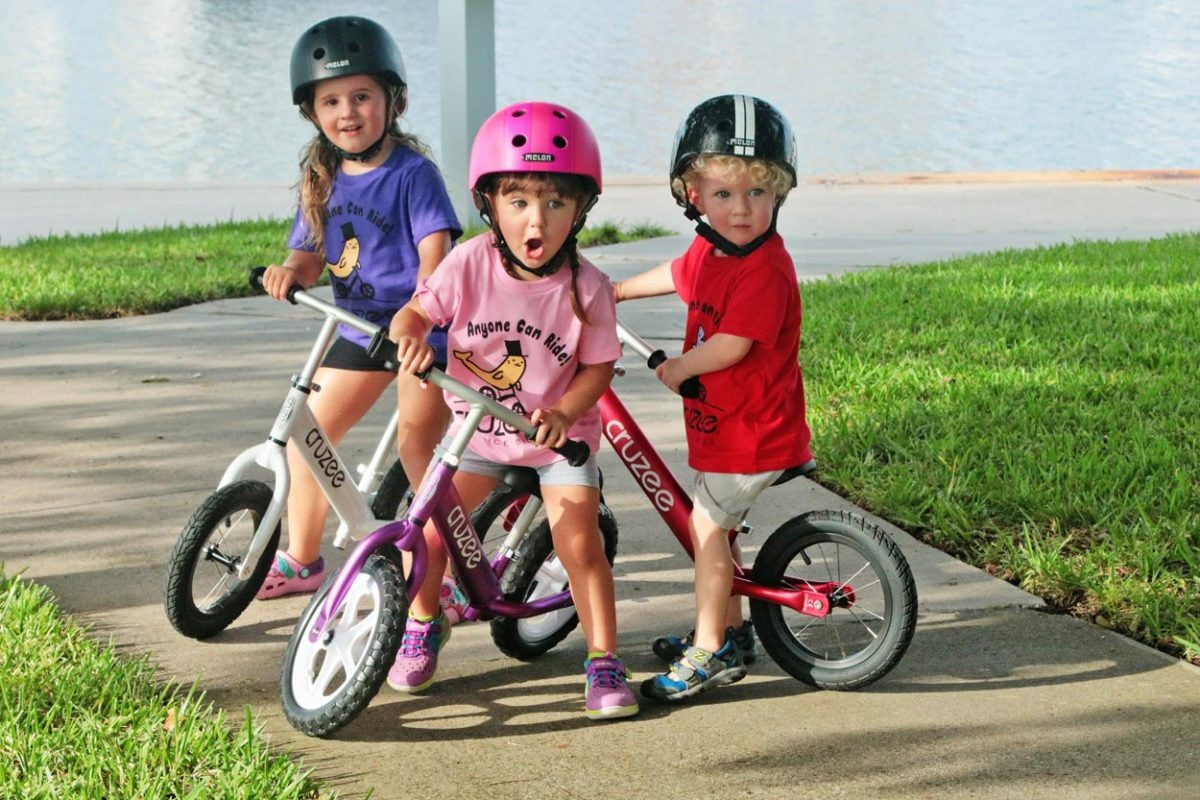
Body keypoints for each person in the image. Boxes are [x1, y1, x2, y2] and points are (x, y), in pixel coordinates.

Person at [387, 101, 639, 721]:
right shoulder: (470, 262)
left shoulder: (589, 287)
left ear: (581, 209)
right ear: (490, 206)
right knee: (426, 530)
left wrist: (565, 408)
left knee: (579, 543)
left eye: (556, 202)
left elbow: (598, 366)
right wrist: (412, 334)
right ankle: (424, 622)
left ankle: (604, 658)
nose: (538, 219)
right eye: (520, 200)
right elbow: (416, 311)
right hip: (480, 435)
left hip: (559, 442)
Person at [613, 94, 813, 702]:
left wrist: (679, 367)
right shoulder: (713, 250)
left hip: (754, 434)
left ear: (778, 194)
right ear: (693, 197)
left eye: (757, 193)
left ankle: (709, 652)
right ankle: (728, 628)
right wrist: (614, 291)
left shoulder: (764, 270)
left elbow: (731, 345)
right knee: (719, 532)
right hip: (724, 429)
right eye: (723, 194)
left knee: (704, 531)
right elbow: (678, 274)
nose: (742, 209)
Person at [256, 16, 460, 600]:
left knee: (419, 451)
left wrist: (419, 314)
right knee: (308, 433)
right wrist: (289, 272)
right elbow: (310, 253)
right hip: (359, 328)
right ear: (313, 112)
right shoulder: (320, 177)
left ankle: (437, 574)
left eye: (362, 97)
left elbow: (436, 254)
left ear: (392, 102)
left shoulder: (413, 174)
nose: (348, 112)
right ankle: (302, 559)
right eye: (332, 101)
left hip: (422, 331)